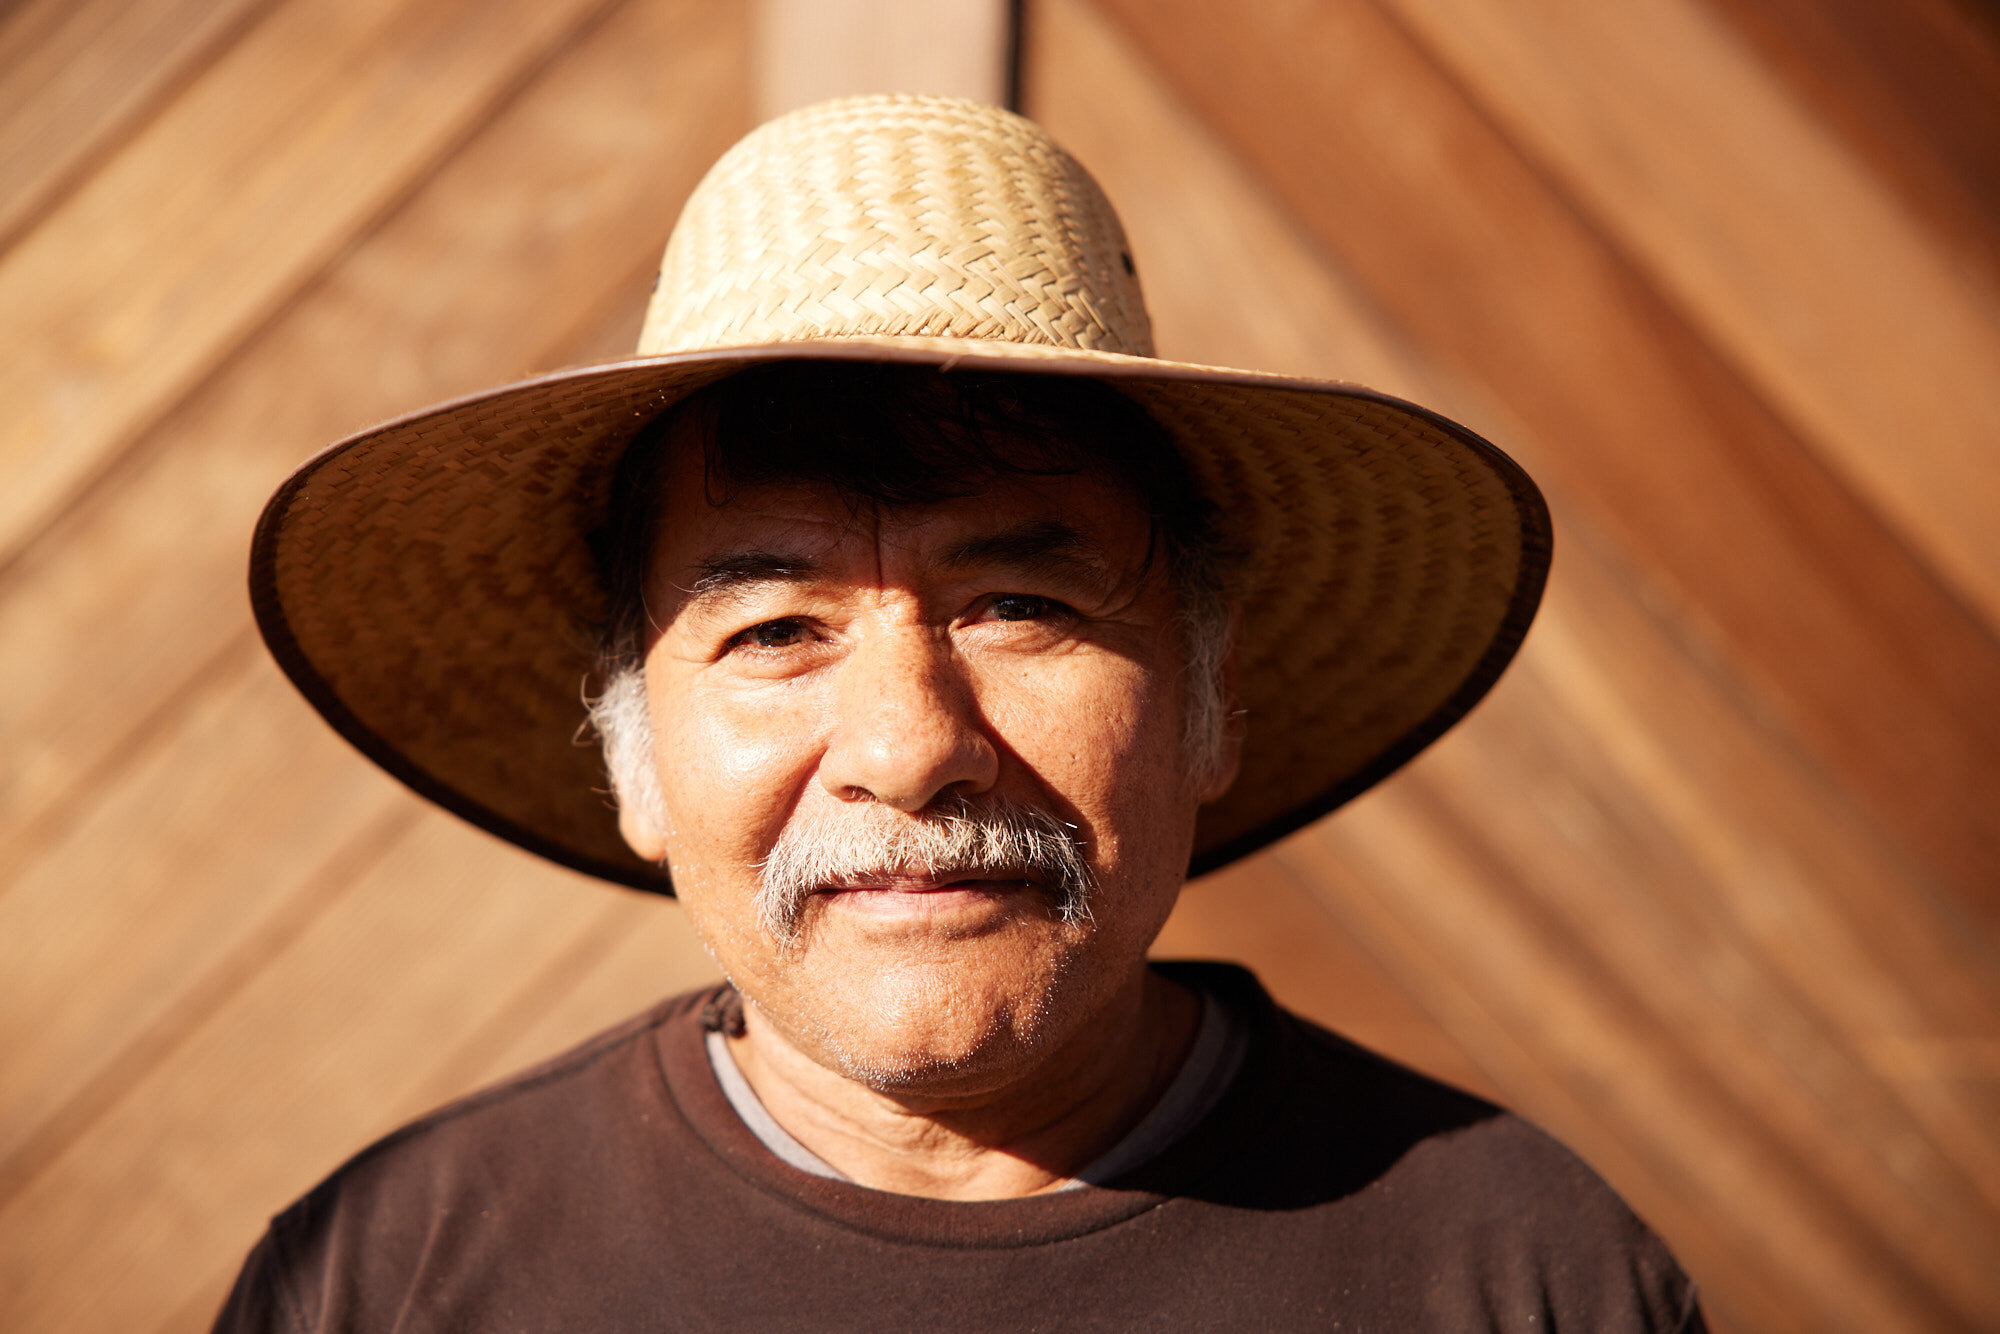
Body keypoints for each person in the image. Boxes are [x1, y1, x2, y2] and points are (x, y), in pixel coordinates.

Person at [222, 95, 1705, 1330]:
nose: (908, 744)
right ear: (633, 755)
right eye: (776, 626)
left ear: (1212, 696)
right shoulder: (390, 1277)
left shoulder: (1525, 1271)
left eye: (1020, 607)